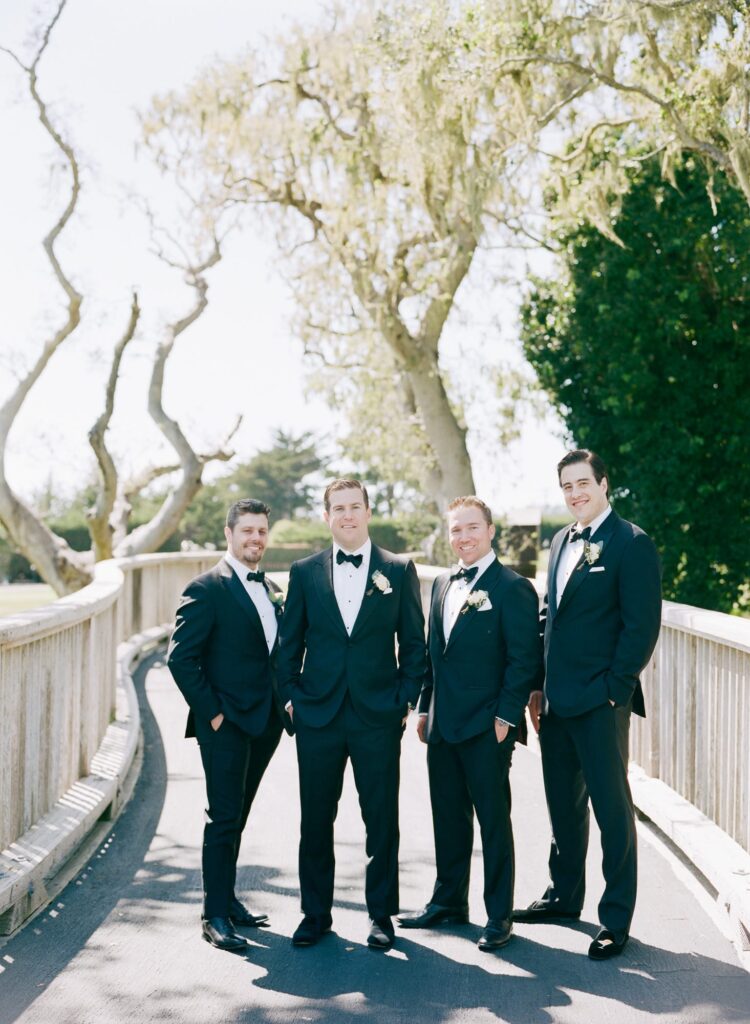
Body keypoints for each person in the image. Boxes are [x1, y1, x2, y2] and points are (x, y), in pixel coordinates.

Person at [514, 450, 661, 960]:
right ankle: (563, 895)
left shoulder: (632, 543)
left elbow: (641, 627)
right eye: (567, 487)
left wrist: (614, 690)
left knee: (611, 810)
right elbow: (548, 616)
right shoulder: (559, 541)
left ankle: (615, 917)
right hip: (554, 703)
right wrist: (536, 685)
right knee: (562, 807)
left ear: (603, 484)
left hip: (600, 702)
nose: (575, 494)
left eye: (583, 484)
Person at [277, 479, 426, 950]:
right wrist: (292, 698)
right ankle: (314, 914)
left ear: (367, 511)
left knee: (381, 819)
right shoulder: (303, 572)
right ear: (326, 516)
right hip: (317, 714)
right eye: (337, 508)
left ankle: (381, 915)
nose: (347, 515)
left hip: (377, 715)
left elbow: (415, 644)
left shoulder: (398, 570)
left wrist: (403, 700)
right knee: (315, 820)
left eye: (354, 507)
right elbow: (288, 644)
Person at [398, 496, 543, 951]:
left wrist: (505, 717)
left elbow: (524, 660)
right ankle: (448, 902)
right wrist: (424, 709)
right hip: (442, 723)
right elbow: (430, 654)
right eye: (456, 530)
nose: (463, 537)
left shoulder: (513, 587)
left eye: (471, 528)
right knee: (448, 818)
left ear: (490, 530)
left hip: (487, 726)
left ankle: (499, 915)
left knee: (494, 821)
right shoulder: (441, 583)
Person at [167, 498, 290, 951]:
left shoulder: (272, 587)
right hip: (225, 723)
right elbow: (181, 659)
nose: (255, 538)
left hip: (266, 722)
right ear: (229, 533)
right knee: (221, 816)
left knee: (238, 814)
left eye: (262, 531)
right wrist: (213, 714)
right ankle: (213, 914)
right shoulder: (206, 588)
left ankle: (228, 899)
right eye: (247, 531)